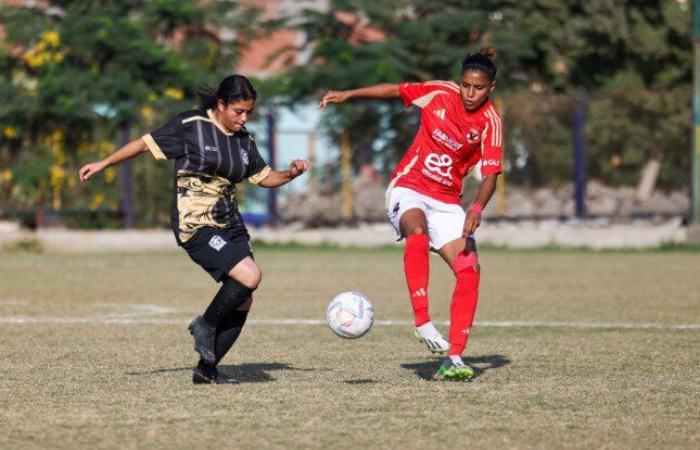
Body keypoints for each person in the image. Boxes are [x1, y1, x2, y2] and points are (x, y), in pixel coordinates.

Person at [79, 75, 309, 384]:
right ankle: (204, 324)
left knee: (243, 297)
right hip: (196, 225)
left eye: (249, 112)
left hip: (232, 224)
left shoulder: (244, 141)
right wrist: (103, 163)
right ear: (221, 105)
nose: (244, 118)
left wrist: (290, 174)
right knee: (250, 276)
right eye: (238, 111)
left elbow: (264, 177)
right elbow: (143, 145)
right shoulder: (191, 126)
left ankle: (206, 370)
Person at [320, 48, 502, 381]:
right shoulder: (440, 93)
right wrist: (350, 94)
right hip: (410, 187)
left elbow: (490, 174)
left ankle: (455, 357)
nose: (470, 93)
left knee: (470, 270)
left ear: (491, 88)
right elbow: (395, 90)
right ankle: (422, 321)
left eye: (478, 88)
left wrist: (476, 207)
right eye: (465, 85)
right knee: (416, 231)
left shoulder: (490, 122)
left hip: (448, 201)